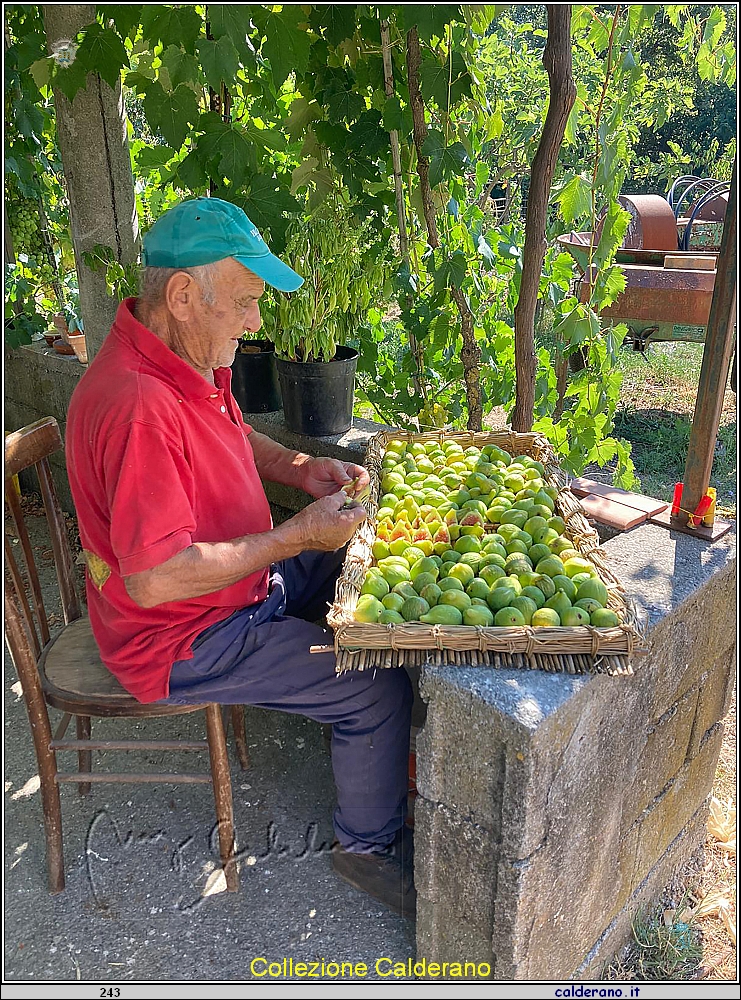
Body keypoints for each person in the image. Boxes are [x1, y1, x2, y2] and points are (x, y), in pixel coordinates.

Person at [65, 197, 415, 917]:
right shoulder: (138, 404)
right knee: (374, 689)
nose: (256, 322)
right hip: (180, 635)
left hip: (237, 587)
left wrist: (294, 466)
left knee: (362, 564)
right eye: (248, 303)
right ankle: (367, 848)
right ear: (185, 296)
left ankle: (373, 760)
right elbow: (155, 579)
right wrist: (293, 538)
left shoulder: (177, 352)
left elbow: (228, 429)